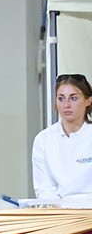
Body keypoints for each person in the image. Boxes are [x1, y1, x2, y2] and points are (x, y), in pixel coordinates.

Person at [32, 73, 92, 202]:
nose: (66, 105)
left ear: (88, 100)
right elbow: (45, 189)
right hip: (61, 214)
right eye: (61, 98)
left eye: (73, 98)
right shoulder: (43, 140)